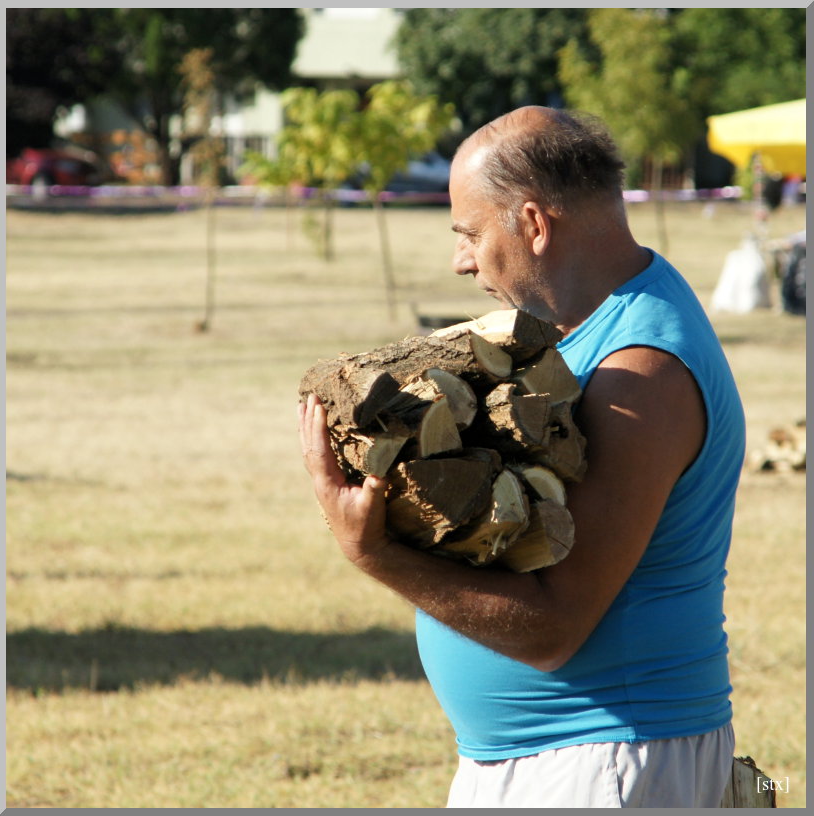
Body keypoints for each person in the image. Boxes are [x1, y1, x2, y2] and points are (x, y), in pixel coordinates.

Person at [299, 106, 745, 808]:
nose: (461, 260)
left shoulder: (642, 374)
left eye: (470, 233)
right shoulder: (591, 332)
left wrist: (375, 552)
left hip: (610, 762)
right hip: (568, 759)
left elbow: (553, 628)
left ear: (535, 225)